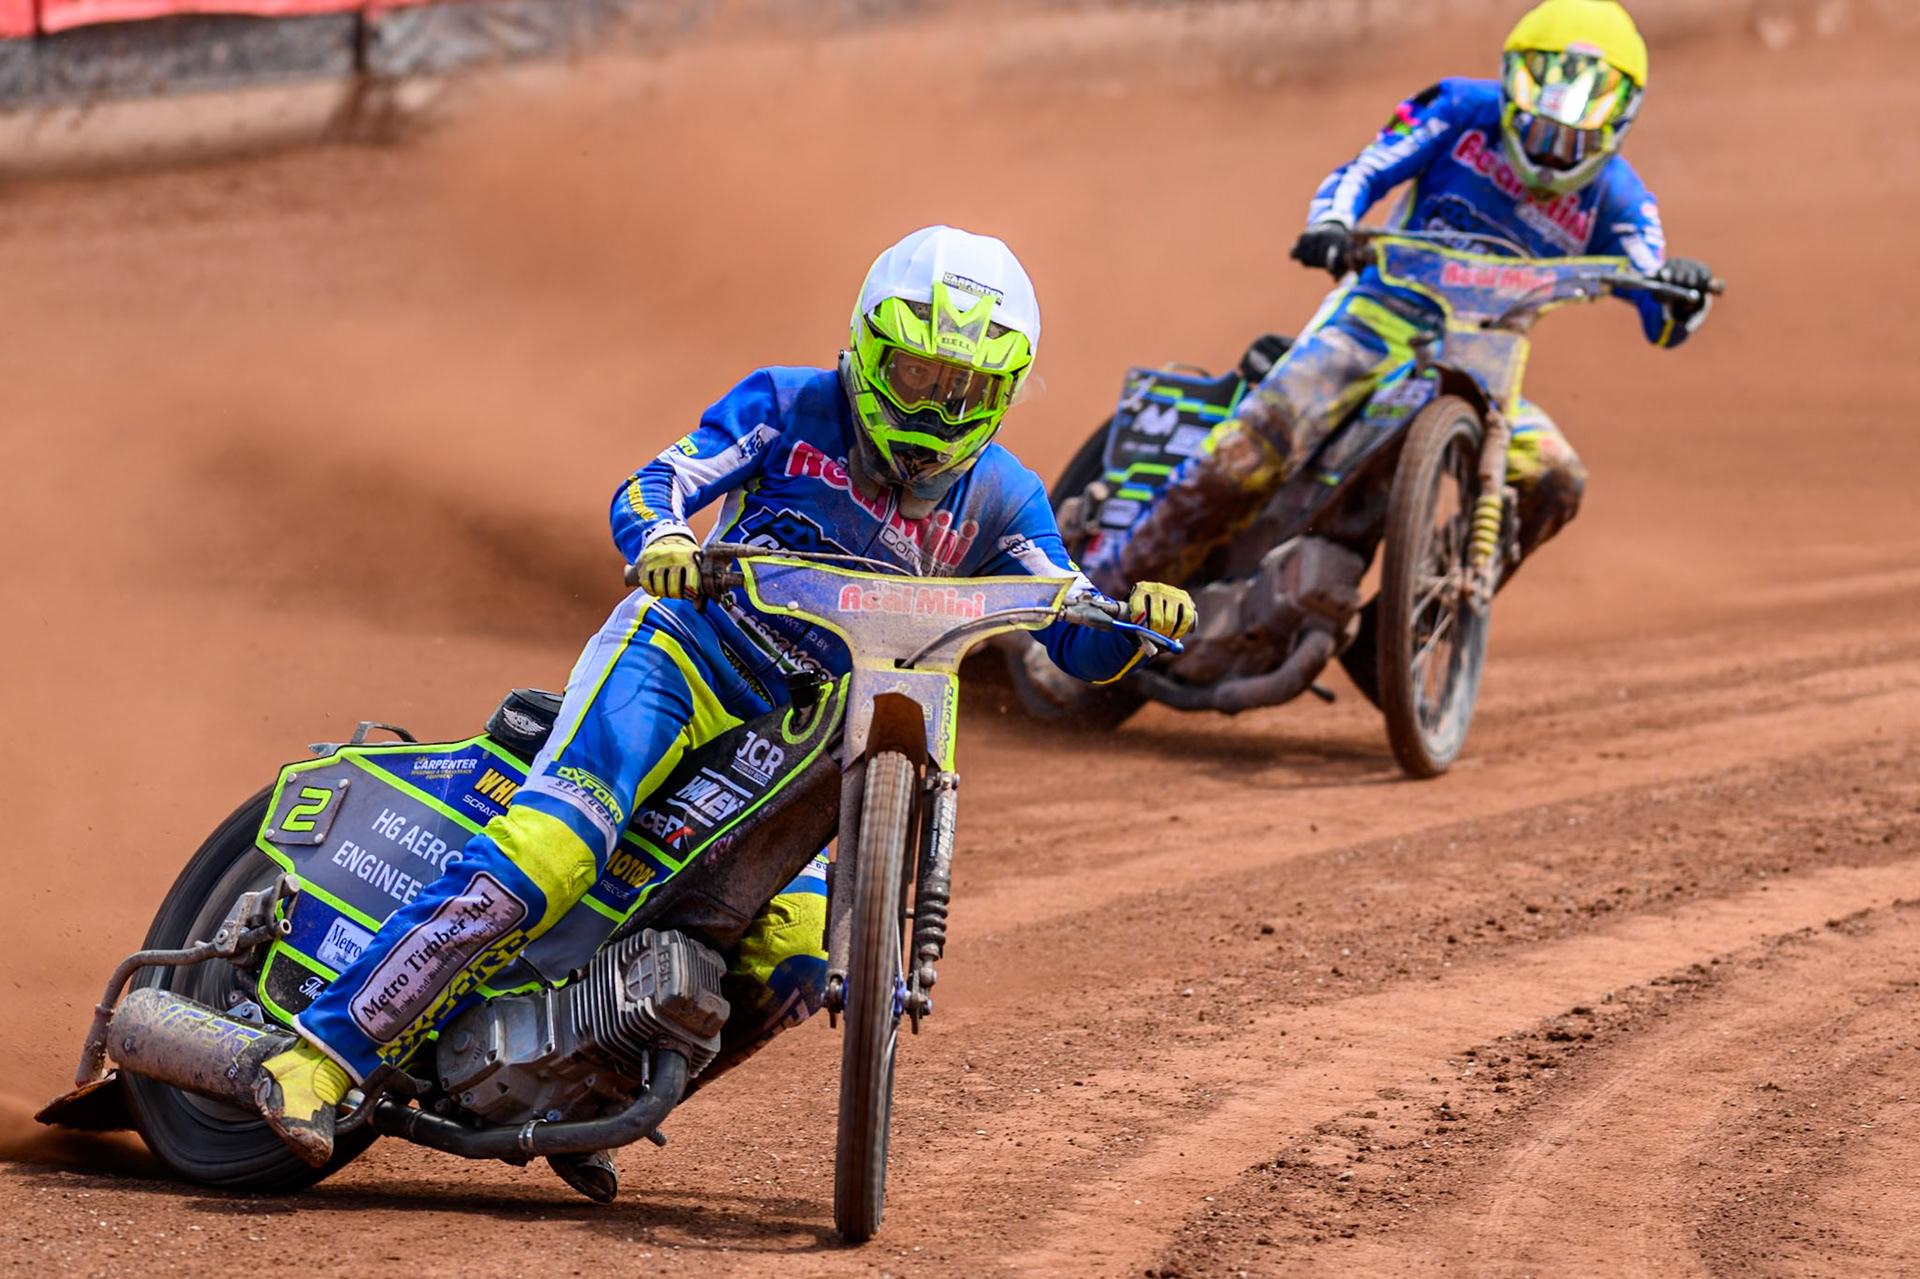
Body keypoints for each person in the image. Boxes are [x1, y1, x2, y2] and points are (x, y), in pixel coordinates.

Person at [246, 225, 1197, 1192]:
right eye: (915, 374)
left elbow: (1073, 628)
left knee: (789, 959)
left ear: (1005, 391)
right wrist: (662, 535)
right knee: (553, 850)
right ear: (870, 346)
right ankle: (319, 1058)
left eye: (967, 388)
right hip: (683, 657)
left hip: (807, 731)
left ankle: (586, 1101)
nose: (937, 407)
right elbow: (659, 479)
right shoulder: (789, 404)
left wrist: (1138, 615)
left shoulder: (1005, 496)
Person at [1087, 0, 1715, 700]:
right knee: (1248, 457)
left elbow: (1659, 306)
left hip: (1486, 367)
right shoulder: (1456, 108)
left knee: (1559, 478)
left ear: (1614, 127)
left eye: (1569, 142)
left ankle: (1410, 622)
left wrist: (1682, 290)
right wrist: (1331, 224)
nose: (1547, 154)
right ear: (1512, 92)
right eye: (1537, 127)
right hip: (1373, 324)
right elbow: (1364, 170)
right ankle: (1092, 607)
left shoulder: (1621, 198)